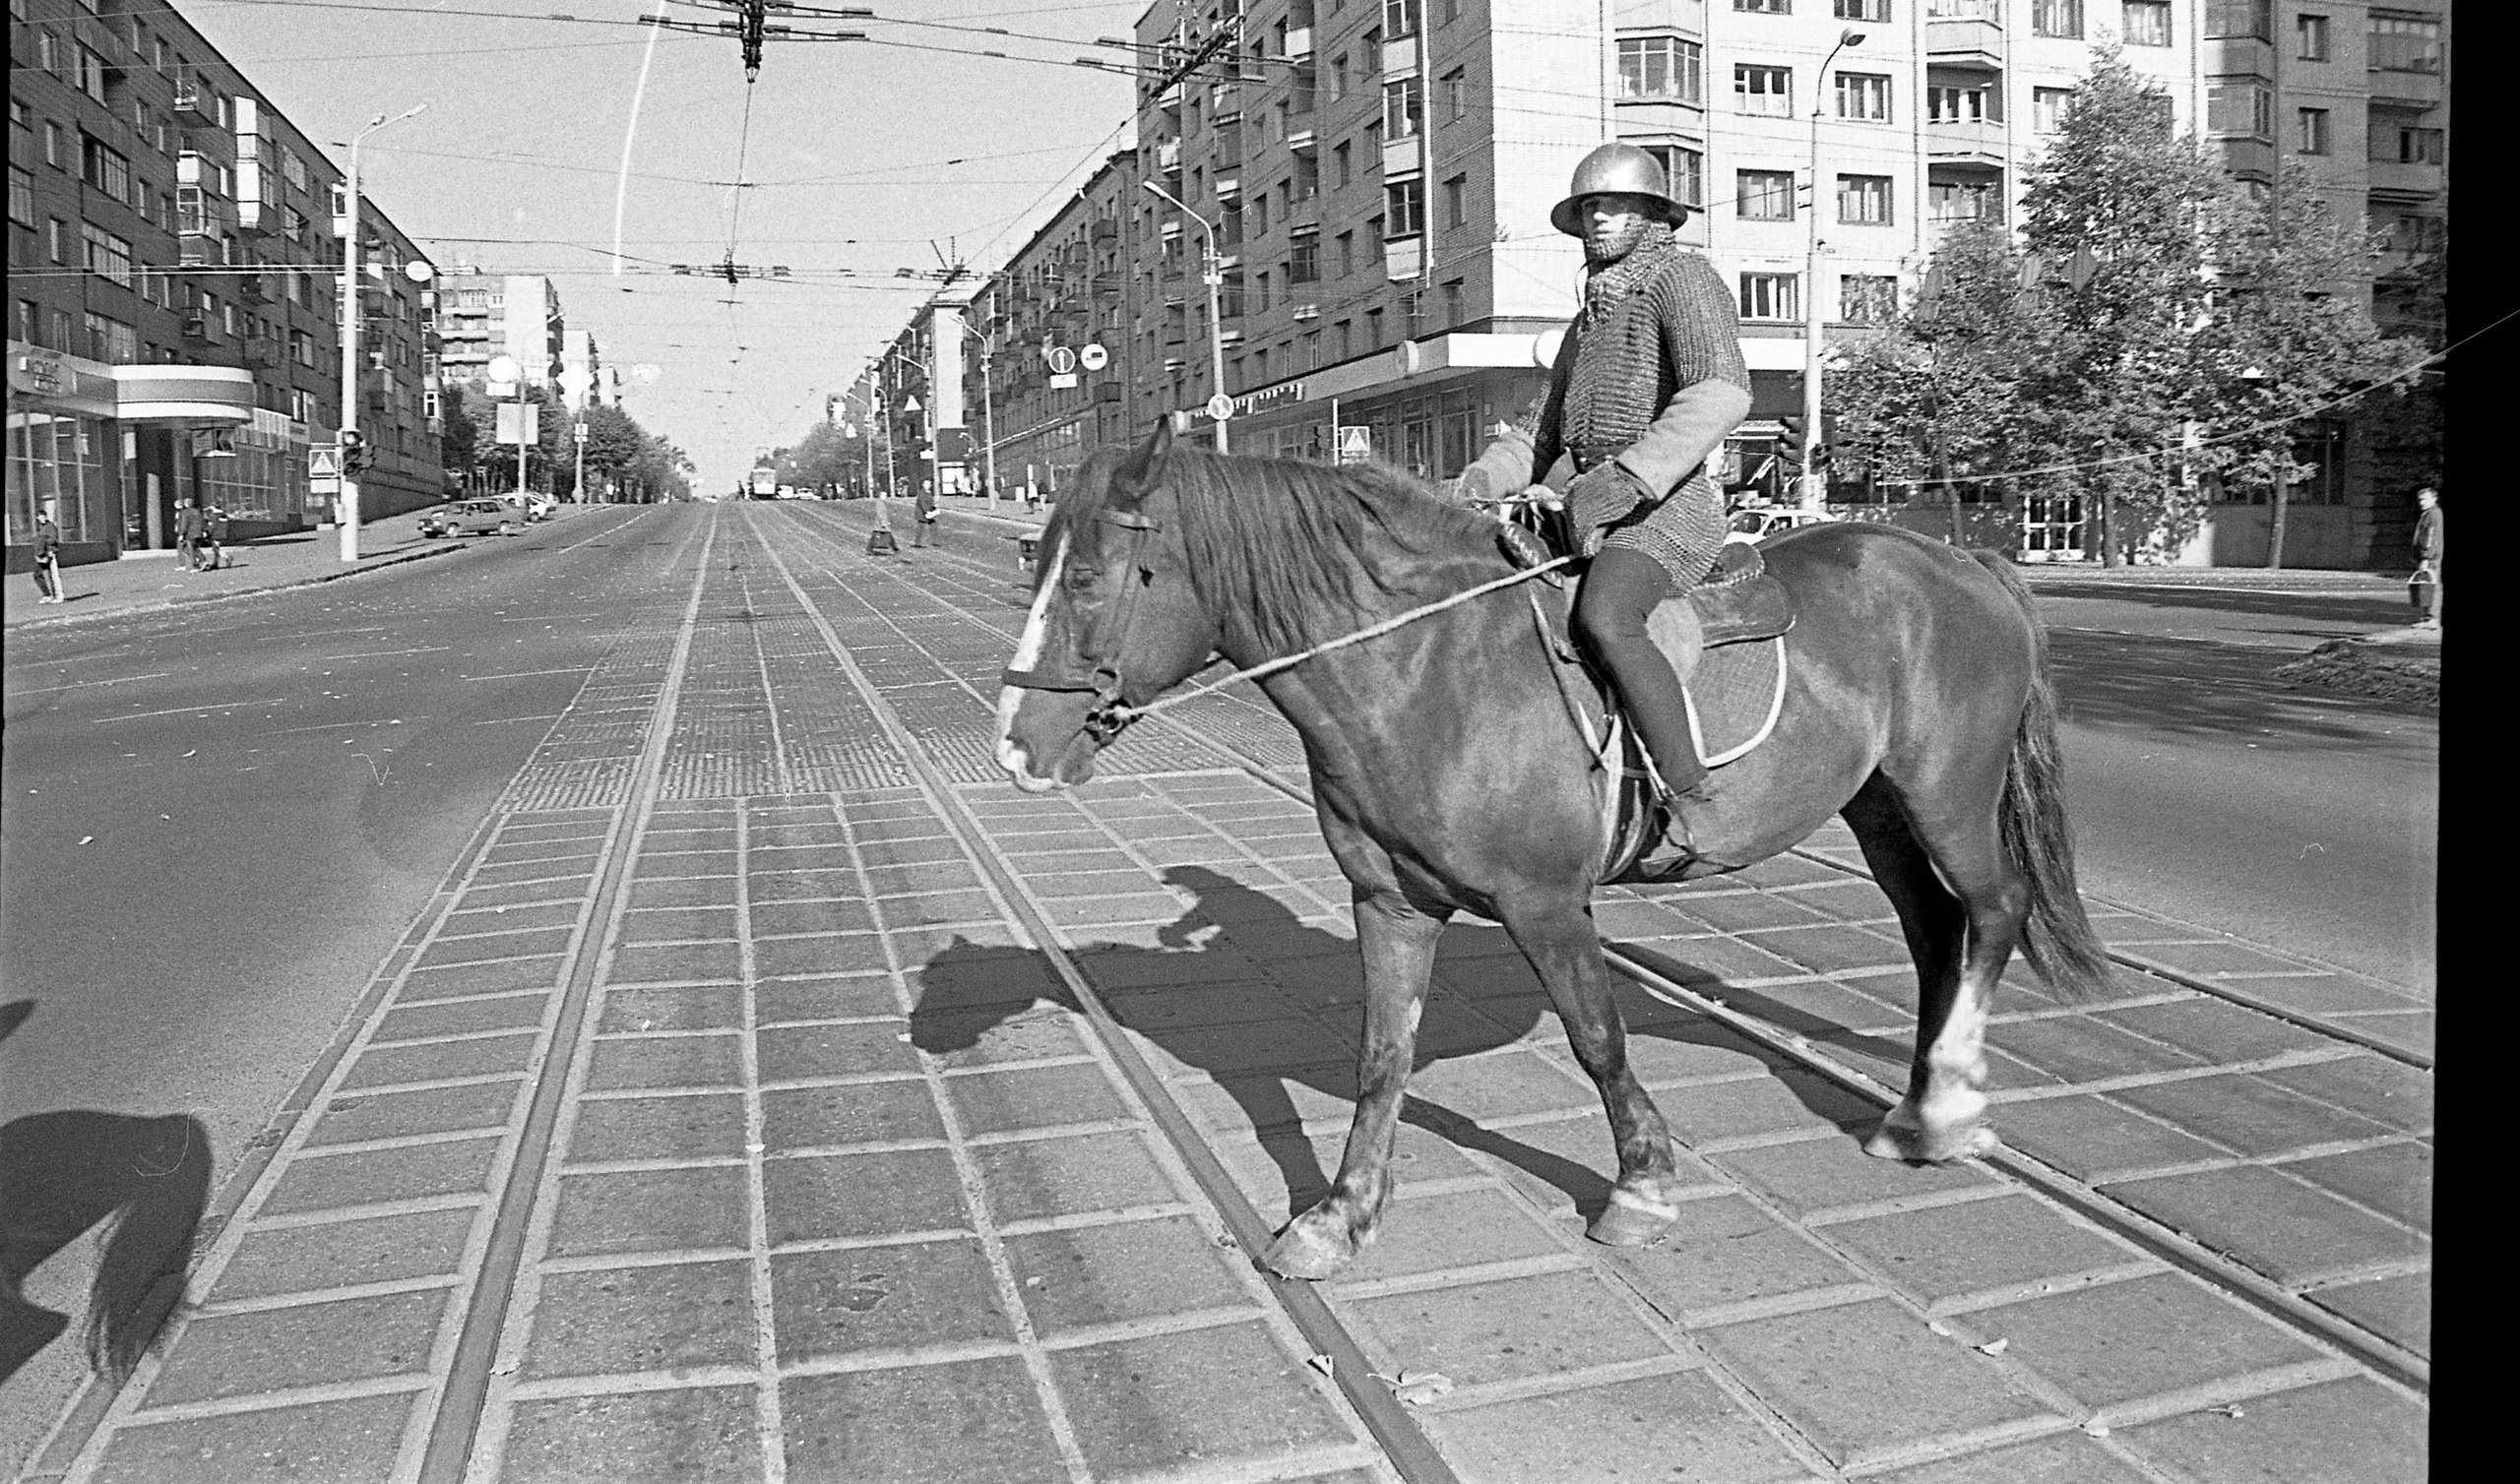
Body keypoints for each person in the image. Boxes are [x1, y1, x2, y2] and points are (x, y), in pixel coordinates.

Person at [1454, 142, 1754, 845]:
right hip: (1593, 511)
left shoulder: (1683, 279)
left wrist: (1626, 480)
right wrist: (1476, 483)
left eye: (1615, 205)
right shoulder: (1589, 319)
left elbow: (1721, 392)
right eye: (1589, 206)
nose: (1598, 218)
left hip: (1667, 510)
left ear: (1653, 215)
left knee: (1606, 616)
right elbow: (1539, 431)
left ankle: (1692, 794)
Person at [2411, 486, 2441, 629]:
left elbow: (2431, 537)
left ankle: (2432, 618)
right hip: (2429, 556)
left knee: (2431, 586)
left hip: (2432, 558)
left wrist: (2426, 557)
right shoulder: (2428, 513)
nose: (2421, 502)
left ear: (2434, 498)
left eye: (2425, 499)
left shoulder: (2433, 514)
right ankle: (2427, 617)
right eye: (2420, 500)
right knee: (2427, 586)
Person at [31, 502, 63, 603]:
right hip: (41, 554)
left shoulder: (50, 526)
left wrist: (44, 542)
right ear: (37, 518)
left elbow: (53, 539)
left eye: (44, 516)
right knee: (37, 574)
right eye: (41, 517)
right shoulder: (39, 527)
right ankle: (47, 594)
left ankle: (58, 596)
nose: (43, 518)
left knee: (53, 575)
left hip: (50, 552)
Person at [172, 497, 206, 572]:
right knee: (192, 548)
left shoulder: (184, 513)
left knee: (188, 548)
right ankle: (201, 560)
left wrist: (182, 533)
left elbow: (184, 523)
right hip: (195, 532)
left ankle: (195, 564)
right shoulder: (196, 511)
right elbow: (201, 521)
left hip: (187, 532)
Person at [912, 480, 938, 547]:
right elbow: (922, 503)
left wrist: (934, 507)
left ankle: (934, 541)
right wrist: (927, 511)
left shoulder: (928, 492)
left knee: (933, 526)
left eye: (929, 484)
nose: (928, 486)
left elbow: (930, 502)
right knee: (920, 528)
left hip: (929, 513)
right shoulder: (922, 493)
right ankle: (917, 543)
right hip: (922, 513)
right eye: (926, 484)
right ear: (923, 485)